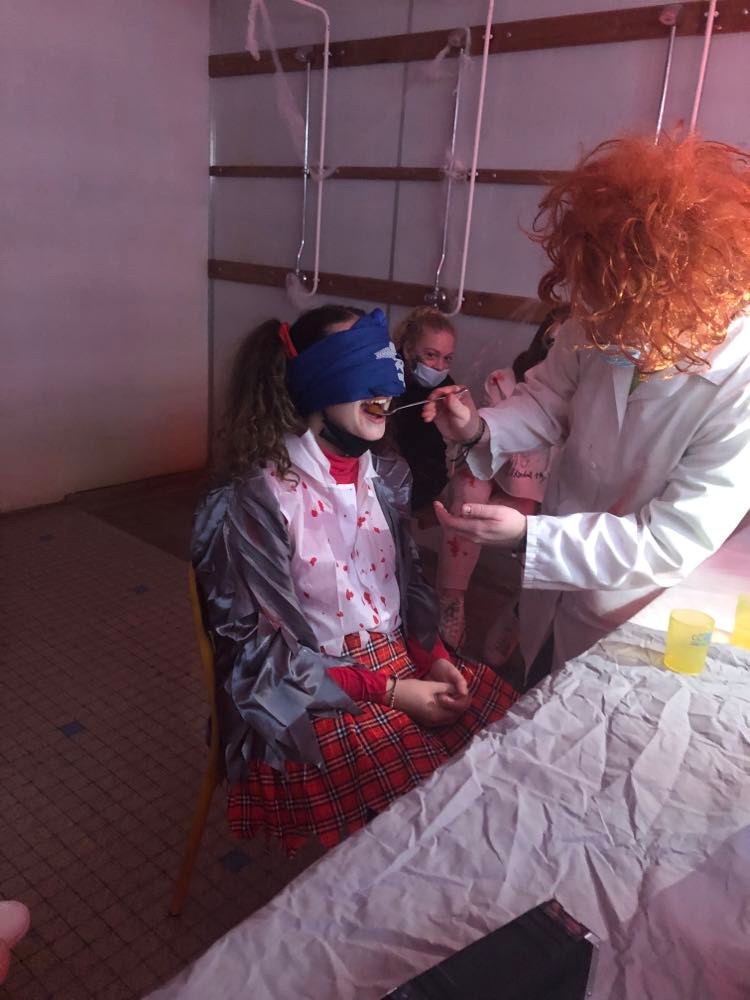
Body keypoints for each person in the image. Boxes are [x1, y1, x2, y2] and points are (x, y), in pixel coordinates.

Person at [425, 134, 750, 683]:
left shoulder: (738, 381)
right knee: (537, 674)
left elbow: (670, 540)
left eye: (616, 318)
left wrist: (531, 537)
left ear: (674, 298)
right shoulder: (603, 312)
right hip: (556, 586)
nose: (597, 329)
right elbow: (549, 397)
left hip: (631, 606)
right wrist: (478, 427)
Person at [192, 304, 516, 854]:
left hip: (398, 658)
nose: (385, 385)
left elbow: (408, 588)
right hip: (305, 688)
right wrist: (391, 692)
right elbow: (258, 659)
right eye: (359, 362)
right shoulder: (252, 502)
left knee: (508, 749)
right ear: (312, 378)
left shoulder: (386, 477)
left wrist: (433, 654)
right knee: (427, 823)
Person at [437, 308, 568, 659]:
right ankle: (452, 599)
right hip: (502, 479)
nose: (558, 352)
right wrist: (473, 427)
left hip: (545, 495)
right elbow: (505, 432)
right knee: (470, 484)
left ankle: (520, 610)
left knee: (547, 512)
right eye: (552, 341)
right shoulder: (504, 382)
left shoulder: (587, 391)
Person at [391, 307, 456, 514]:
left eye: (447, 358)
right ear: (408, 350)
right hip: (385, 480)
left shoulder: (446, 387)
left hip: (427, 485)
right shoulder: (387, 379)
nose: (439, 366)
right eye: (431, 355)